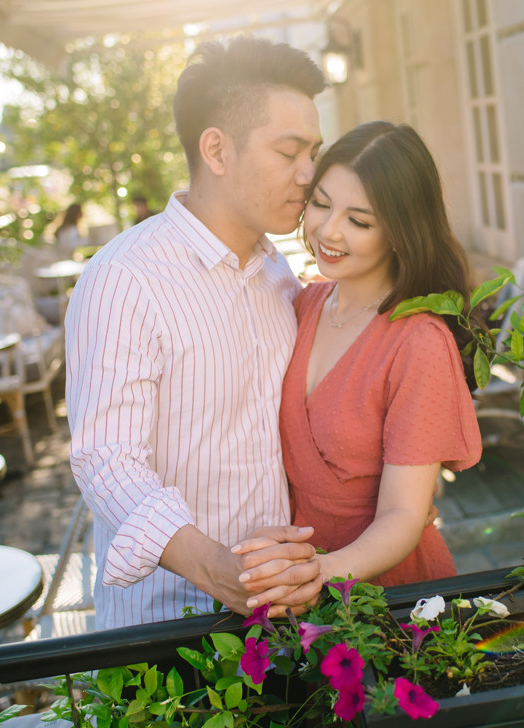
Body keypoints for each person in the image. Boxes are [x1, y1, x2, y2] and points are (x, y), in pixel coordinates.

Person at [64, 36, 327, 628]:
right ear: (216, 148)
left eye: (314, 151)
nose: (309, 173)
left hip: (279, 617)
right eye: (289, 152)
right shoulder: (122, 278)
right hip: (167, 632)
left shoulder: (277, 270)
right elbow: (106, 459)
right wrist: (217, 570)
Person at [255, 122, 483, 587]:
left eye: (359, 221)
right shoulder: (301, 304)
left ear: (401, 231)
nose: (329, 231)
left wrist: (320, 572)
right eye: (320, 204)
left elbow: (404, 512)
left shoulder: (417, 340)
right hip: (299, 585)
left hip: (388, 594)